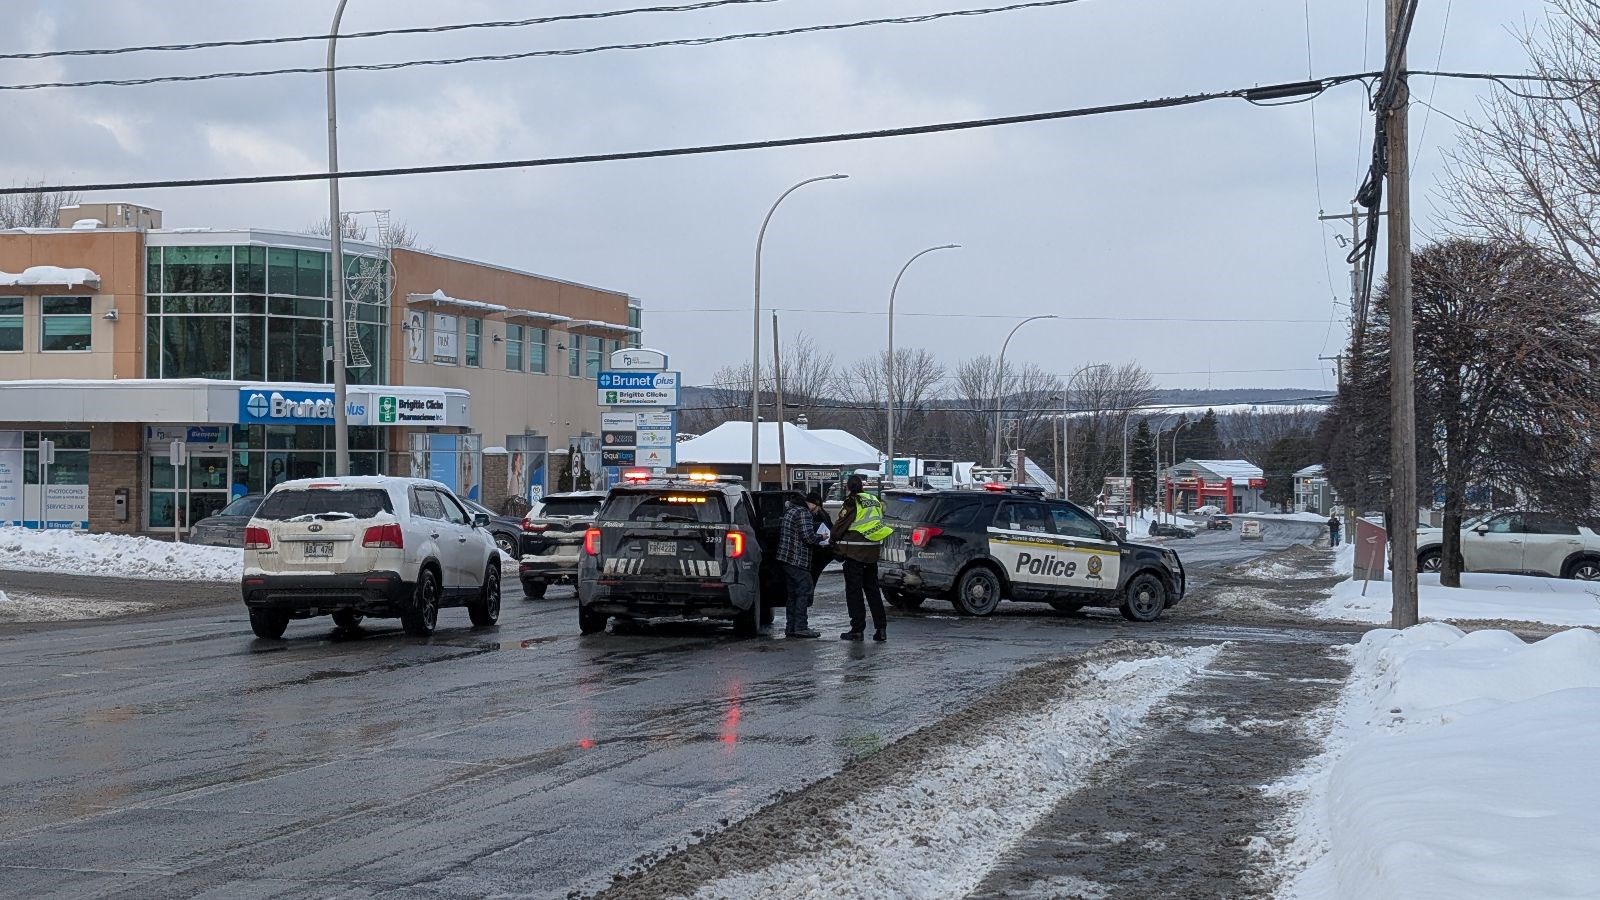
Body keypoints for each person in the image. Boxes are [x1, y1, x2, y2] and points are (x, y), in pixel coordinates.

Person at [831, 474, 893, 642]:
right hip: (872, 552)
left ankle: (857, 630)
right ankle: (881, 629)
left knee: (854, 592)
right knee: (873, 591)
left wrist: (832, 538)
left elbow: (840, 526)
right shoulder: (873, 500)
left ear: (848, 487)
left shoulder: (852, 502)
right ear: (862, 486)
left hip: (855, 553)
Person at [776, 493, 827, 638]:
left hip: (786, 559)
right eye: (818, 508)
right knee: (804, 589)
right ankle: (801, 627)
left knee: (793, 593)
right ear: (814, 504)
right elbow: (808, 537)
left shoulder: (791, 510)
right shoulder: (804, 513)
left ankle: (791, 627)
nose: (817, 511)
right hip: (796, 559)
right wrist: (822, 537)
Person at [806, 491, 834, 586]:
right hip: (821, 550)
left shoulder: (816, 514)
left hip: (818, 551)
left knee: (811, 580)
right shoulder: (822, 513)